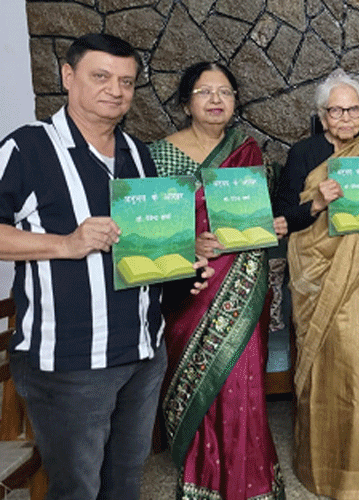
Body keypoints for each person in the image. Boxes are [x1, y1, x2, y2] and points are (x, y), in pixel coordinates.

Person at [0, 33, 210, 499]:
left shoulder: (138, 153)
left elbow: (143, 242)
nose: (115, 90)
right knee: (77, 488)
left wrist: (183, 251)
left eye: (127, 81)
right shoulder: (28, 148)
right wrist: (66, 244)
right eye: (101, 76)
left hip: (142, 352)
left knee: (125, 483)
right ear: (67, 76)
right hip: (70, 361)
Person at [148, 62, 286, 499]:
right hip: (190, 285)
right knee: (199, 381)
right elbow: (147, 227)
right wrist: (189, 242)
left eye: (225, 92)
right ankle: (201, 479)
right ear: (185, 102)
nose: (215, 100)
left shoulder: (247, 150)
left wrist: (272, 224)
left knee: (243, 381)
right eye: (204, 91)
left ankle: (252, 481)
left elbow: (256, 216)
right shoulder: (158, 156)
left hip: (244, 284)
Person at [273, 68, 359, 499]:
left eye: (354, 110)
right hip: (316, 271)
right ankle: (327, 466)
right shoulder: (303, 153)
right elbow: (282, 216)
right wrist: (316, 202)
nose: (346, 118)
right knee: (330, 361)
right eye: (337, 111)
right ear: (323, 116)